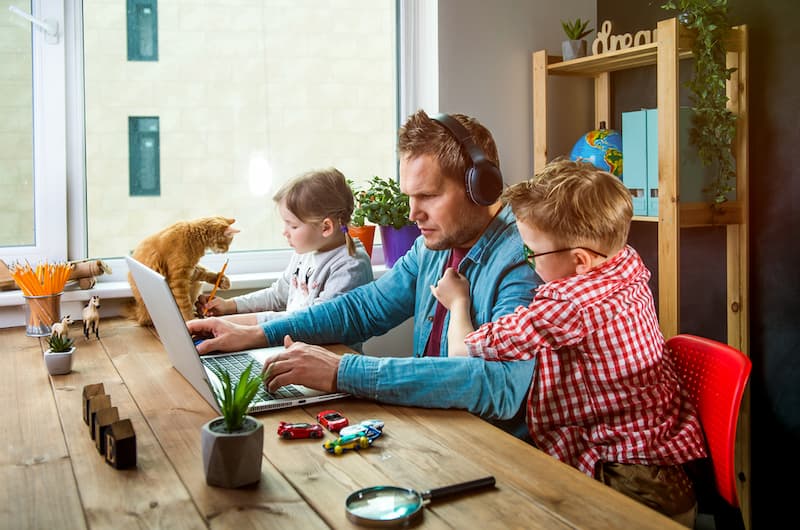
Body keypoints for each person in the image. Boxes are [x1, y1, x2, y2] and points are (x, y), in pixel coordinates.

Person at [187, 110, 541, 434]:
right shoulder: (432, 248)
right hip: (438, 429)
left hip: (494, 448)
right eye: (409, 196)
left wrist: (342, 372)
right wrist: (253, 334)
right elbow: (363, 309)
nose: (413, 213)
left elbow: (500, 384)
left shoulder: (525, 258)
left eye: (428, 196)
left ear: (480, 187)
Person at [434, 158, 706, 526]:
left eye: (532, 252)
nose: (527, 262)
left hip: (634, 491)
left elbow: (462, 351)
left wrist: (459, 302)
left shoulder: (568, 307)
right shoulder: (624, 263)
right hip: (666, 469)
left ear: (579, 260)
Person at [195, 168, 373, 325]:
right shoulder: (306, 251)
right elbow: (278, 295)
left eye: (293, 226)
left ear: (326, 227)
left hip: (327, 357)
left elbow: (312, 322)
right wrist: (230, 306)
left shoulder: (350, 266)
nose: (285, 232)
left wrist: (234, 323)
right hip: (293, 350)